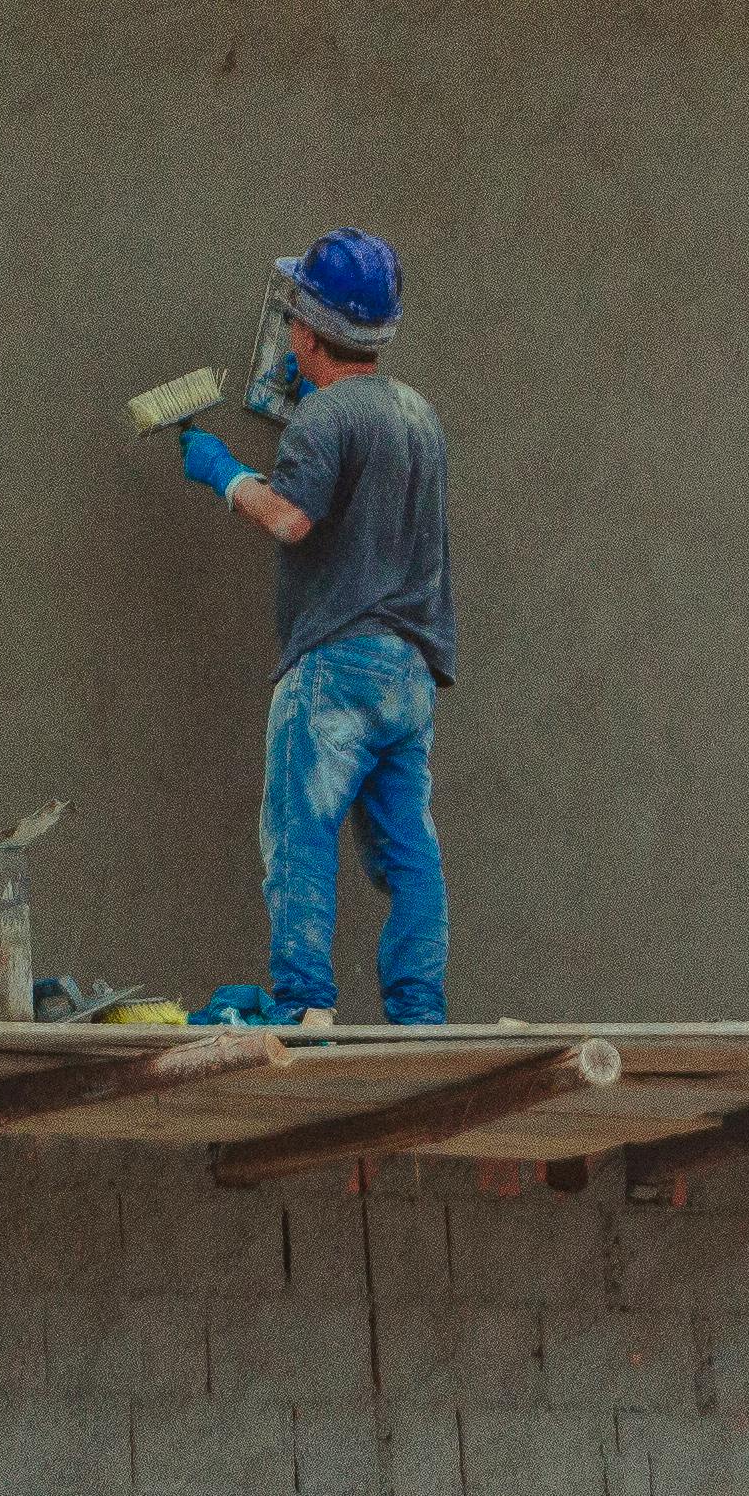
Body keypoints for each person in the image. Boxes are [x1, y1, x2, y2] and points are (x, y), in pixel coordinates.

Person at [167, 231, 452, 1025]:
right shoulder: (419, 417)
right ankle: (420, 1014)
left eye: (294, 317)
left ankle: (303, 1006)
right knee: (407, 848)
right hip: (411, 670)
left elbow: (291, 518)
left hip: (335, 661)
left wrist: (226, 474)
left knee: (301, 829)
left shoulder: (325, 417)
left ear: (307, 335)